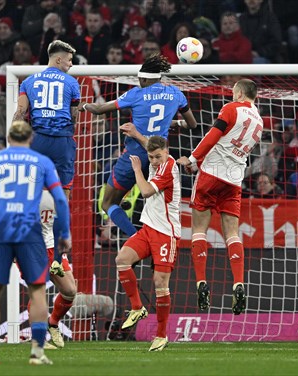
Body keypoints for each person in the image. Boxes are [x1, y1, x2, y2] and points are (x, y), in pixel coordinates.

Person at [0, 120, 71, 365]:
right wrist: (65, 233)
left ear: (9, 138)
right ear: (30, 139)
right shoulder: (42, 162)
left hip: (1, 228)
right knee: (37, 291)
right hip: (30, 230)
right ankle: (37, 352)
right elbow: (61, 200)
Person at [81, 53, 196, 237]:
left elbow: (99, 109)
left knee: (108, 203)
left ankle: (135, 237)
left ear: (143, 78)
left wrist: (84, 105)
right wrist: (174, 123)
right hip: (160, 159)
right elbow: (192, 124)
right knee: (157, 208)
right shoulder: (176, 93)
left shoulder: (136, 94)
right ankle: (159, 244)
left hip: (134, 156)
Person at [176, 79, 262, 315]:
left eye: (234, 90)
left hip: (211, 174)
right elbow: (230, 148)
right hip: (234, 181)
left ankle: (201, 281)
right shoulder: (260, 121)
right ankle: (238, 282)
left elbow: (214, 136)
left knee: (199, 230)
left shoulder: (232, 108)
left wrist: (193, 159)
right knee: (232, 234)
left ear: (240, 92)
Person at [115, 136, 180, 352]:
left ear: (167, 151)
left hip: (166, 232)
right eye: (150, 157)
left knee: (160, 282)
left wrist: (136, 169)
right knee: (122, 259)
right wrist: (134, 132)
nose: (153, 161)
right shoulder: (157, 158)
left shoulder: (168, 167)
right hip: (148, 228)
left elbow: (146, 191)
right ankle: (137, 308)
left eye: (157, 156)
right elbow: (149, 144)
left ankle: (161, 335)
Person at [13, 39, 81, 201]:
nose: (71, 65)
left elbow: (20, 113)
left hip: (37, 140)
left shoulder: (28, 81)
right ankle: (60, 224)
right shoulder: (72, 82)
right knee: (63, 189)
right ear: (59, 59)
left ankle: (33, 223)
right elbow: (74, 115)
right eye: (69, 60)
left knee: (32, 187)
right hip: (62, 141)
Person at [39, 189, 77, 349]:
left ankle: (53, 324)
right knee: (37, 291)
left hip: (54, 248)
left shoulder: (59, 191)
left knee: (70, 291)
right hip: (34, 247)